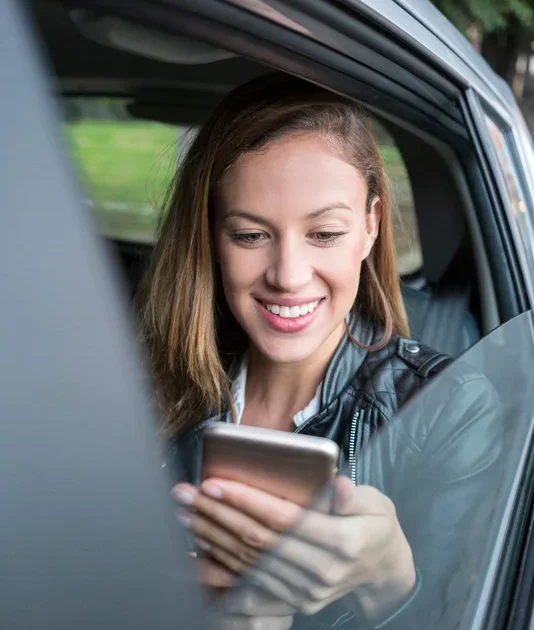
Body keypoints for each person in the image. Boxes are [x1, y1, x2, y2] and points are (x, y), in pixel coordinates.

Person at [137, 73, 501, 629]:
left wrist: (390, 583)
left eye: (325, 234)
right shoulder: (140, 378)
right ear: (211, 235)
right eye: (250, 235)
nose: (288, 276)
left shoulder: (452, 408)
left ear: (370, 227)